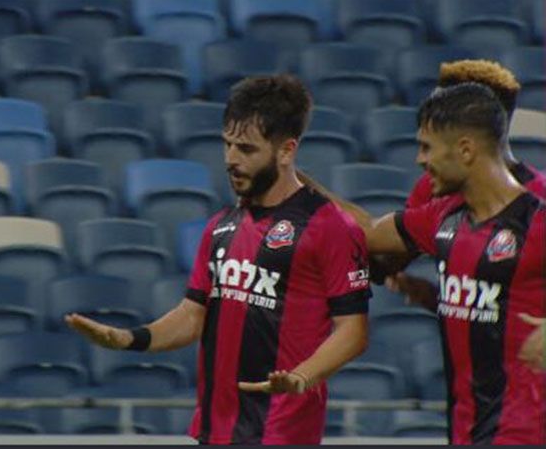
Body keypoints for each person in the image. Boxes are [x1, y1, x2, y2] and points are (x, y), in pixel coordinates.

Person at [66, 74, 371, 445]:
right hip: (214, 430)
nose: (230, 159)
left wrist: (303, 377)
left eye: (246, 149)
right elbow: (192, 315)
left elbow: (353, 331)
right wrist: (129, 339)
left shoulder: (331, 227)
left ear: (286, 151)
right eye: (227, 145)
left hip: (281, 432)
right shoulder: (220, 226)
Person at [364, 82, 546, 444]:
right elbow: (364, 233)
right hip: (465, 428)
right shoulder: (443, 217)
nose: (419, 159)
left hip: (525, 429)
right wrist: (293, 186)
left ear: (465, 149)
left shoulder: (537, 223)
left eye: (426, 147)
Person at [385, 60, 546, 310]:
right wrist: (434, 298)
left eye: (444, 109)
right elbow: (386, 262)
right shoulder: (431, 188)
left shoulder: (539, 202)